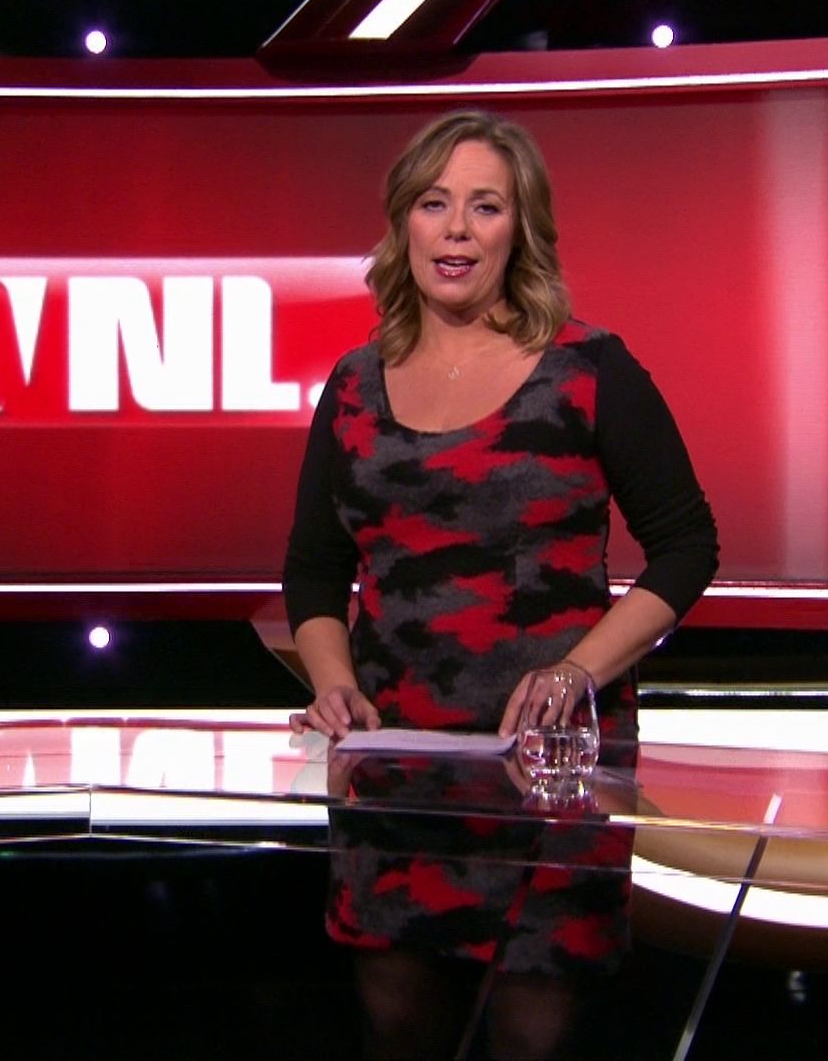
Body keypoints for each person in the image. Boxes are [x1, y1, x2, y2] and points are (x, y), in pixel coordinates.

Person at [282, 109, 718, 1057]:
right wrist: (333, 685)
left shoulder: (588, 369)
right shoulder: (353, 385)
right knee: (400, 1025)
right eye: (435, 204)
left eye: (485, 207)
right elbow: (313, 571)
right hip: (397, 766)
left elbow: (687, 546)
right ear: (403, 220)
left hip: (550, 772)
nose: (457, 230)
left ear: (520, 229)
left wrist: (576, 673)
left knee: (532, 1038)